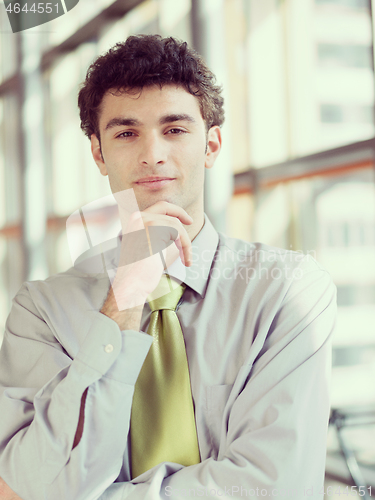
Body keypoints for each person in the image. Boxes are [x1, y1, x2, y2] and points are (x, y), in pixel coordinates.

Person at [0, 35, 336, 500]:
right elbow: (35, 484)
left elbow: (274, 488)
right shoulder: (40, 311)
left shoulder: (288, 290)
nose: (152, 154)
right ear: (98, 153)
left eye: (175, 130)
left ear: (211, 145)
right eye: (126, 133)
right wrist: (122, 303)